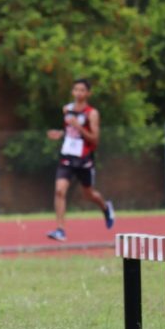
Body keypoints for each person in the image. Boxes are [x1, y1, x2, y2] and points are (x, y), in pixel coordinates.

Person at [45, 78, 114, 241]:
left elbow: (95, 139)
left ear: (88, 93)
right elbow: (68, 131)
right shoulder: (66, 109)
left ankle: (105, 207)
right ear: (72, 92)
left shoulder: (92, 113)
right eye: (76, 89)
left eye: (82, 90)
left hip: (84, 158)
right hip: (67, 156)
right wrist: (60, 134)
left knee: (89, 194)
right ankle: (60, 230)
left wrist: (79, 126)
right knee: (60, 190)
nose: (78, 93)